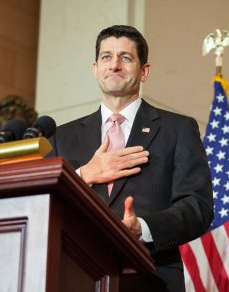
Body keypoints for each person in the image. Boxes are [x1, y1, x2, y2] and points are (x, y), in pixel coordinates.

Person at [48, 25, 213, 291]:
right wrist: (82, 176)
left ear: (144, 71)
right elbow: (46, 203)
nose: (114, 65)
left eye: (125, 58)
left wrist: (143, 228)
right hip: (73, 276)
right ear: (95, 68)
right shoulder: (61, 136)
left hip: (150, 276)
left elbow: (197, 208)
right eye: (106, 57)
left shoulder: (177, 129)